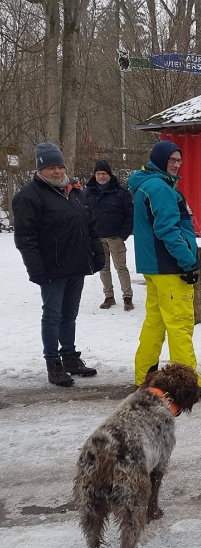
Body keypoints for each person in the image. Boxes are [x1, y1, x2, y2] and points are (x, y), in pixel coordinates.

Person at [128, 139, 201, 396]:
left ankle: (145, 374)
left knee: (155, 323)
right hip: (170, 266)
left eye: (179, 160)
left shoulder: (146, 185)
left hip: (155, 267)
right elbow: (167, 230)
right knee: (180, 325)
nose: (176, 165)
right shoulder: (160, 189)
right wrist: (187, 261)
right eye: (172, 160)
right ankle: (188, 383)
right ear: (159, 160)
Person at [13, 142, 104, 387]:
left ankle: (70, 357)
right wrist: (36, 269)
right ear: (40, 169)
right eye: (51, 167)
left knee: (70, 315)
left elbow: (90, 227)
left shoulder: (75, 191)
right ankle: (53, 362)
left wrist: (96, 255)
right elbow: (25, 238)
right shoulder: (29, 196)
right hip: (51, 268)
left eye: (59, 166)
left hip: (76, 265)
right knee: (52, 316)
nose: (57, 171)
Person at [81, 159, 135, 311]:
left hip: (115, 237)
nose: (101, 176)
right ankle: (109, 296)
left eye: (104, 173)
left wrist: (123, 234)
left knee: (121, 268)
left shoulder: (121, 193)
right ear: (94, 175)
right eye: (98, 174)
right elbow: (83, 214)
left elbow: (130, 215)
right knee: (103, 269)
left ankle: (127, 297)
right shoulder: (87, 193)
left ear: (109, 175)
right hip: (97, 237)